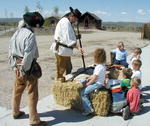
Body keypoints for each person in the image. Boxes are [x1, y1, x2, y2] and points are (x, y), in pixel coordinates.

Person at [9, 12, 47, 126]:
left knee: (17, 90)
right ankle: (34, 120)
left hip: (17, 64)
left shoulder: (17, 32)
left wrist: (15, 66)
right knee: (32, 93)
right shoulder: (30, 35)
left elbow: (11, 50)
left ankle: (15, 112)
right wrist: (24, 69)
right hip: (27, 67)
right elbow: (29, 55)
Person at [52, 7, 83, 81]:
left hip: (65, 51)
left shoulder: (67, 22)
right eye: (76, 19)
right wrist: (78, 47)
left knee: (69, 67)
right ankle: (60, 82)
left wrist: (76, 37)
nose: (76, 21)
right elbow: (67, 40)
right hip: (62, 50)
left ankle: (67, 79)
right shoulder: (65, 23)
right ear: (72, 16)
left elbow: (66, 36)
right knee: (61, 69)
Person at [80, 48, 106, 116]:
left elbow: (94, 78)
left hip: (97, 84)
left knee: (83, 93)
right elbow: (95, 75)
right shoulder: (103, 65)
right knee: (83, 82)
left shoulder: (98, 67)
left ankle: (88, 109)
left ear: (96, 58)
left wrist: (88, 84)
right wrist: (89, 78)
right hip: (99, 82)